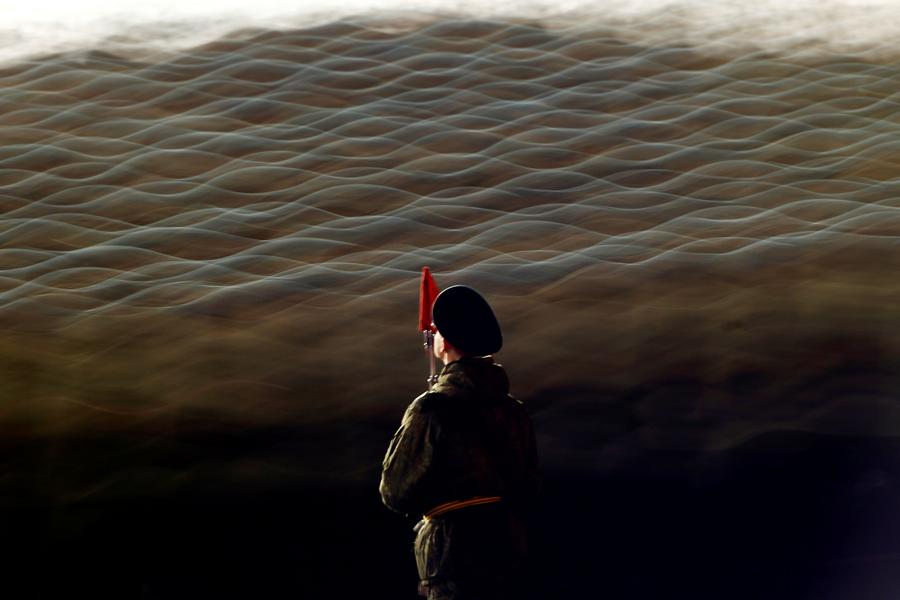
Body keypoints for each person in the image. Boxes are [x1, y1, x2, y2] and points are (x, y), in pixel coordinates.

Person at [380, 285, 540, 600]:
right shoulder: (514, 411)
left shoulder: (432, 407)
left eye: (437, 330)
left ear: (447, 341)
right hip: (509, 552)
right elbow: (530, 489)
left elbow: (395, 490)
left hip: (452, 558)